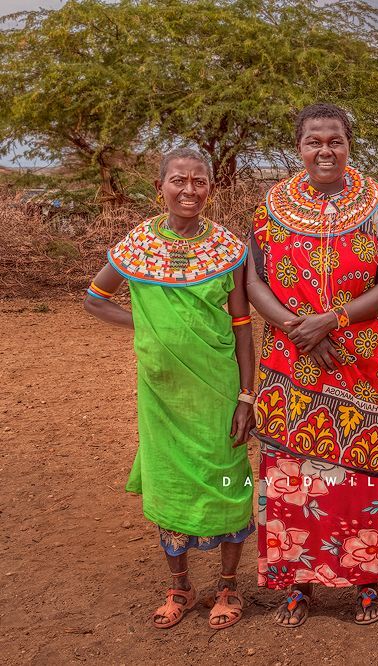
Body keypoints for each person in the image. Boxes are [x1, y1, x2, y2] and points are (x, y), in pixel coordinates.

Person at [83, 148, 254, 630]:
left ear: (211, 189)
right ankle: (179, 585)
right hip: (162, 397)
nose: (189, 190)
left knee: (228, 482)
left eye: (199, 182)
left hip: (217, 391)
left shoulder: (228, 248)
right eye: (178, 180)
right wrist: (146, 328)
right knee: (170, 485)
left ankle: (227, 585)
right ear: (160, 187)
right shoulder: (137, 247)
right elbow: (95, 300)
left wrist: (246, 396)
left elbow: (243, 327)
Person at [247, 103, 378, 627]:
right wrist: (302, 329)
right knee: (292, 476)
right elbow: (254, 283)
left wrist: (331, 321)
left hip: (359, 359)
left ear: (349, 144)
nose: (325, 151)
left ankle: (366, 580)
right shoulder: (271, 205)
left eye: (334, 140)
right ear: (299, 147)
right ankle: (298, 584)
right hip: (292, 362)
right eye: (314, 141)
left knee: (359, 475)